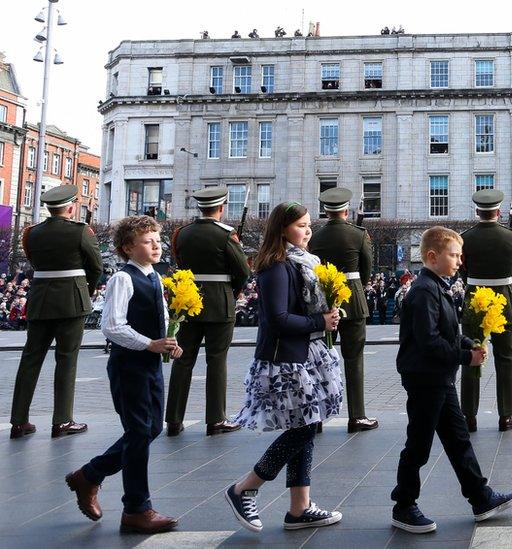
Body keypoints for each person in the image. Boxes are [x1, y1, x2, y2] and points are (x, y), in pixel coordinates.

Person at [391, 226, 512, 534]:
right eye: (454, 255)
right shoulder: (425, 290)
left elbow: (447, 333)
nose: (459, 261)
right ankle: (404, 505)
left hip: (438, 377)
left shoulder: (436, 285)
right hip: (426, 378)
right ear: (432, 256)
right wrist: (466, 357)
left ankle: (480, 496)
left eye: (460, 255)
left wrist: (467, 344)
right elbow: (429, 342)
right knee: (419, 445)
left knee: (458, 439)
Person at [225, 202, 344, 533]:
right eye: (300, 225)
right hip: (285, 359)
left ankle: (299, 508)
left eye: (309, 225)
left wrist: (327, 319)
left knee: (306, 424)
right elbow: (277, 320)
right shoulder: (277, 267)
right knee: (303, 427)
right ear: (281, 230)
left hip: (304, 353)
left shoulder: (305, 263)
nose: (307, 230)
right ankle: (245, 487)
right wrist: (318, 320)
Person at [64, 215, 180, 534]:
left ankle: (89, 475)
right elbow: (112, 326)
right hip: (129, 366)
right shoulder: (123, 279)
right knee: (140, 431)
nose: (156, 244)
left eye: (158, 238)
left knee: (150, 428)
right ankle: (136, 509)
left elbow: (159, 316)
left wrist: (169, 342)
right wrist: (150, 344)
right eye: (147, 241)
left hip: (149, 363)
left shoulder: (155, 277)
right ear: (128, 248)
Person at [10, 185, 102, 439]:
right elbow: (96, 266)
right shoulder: (80, 231)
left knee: (30, 359)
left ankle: (18, 421)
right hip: (72, 299)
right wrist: (89, 290)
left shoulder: (32, 233)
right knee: (66, 359)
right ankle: (61, 420)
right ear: (71, 207)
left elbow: (34, 262)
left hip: (40, 299)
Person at [166, 187, 251, 437]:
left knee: (183, 360)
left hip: (188, 301)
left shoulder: (181, 234)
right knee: (216, 361)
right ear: (221, 208)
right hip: (219, 303)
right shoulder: (226, 235)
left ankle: (173, 418)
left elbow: (181, 265)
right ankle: (215, 419)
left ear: (200, 208)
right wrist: (231, 292)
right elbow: (243, 273)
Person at [309, 187, 378, 432]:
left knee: (320, 359)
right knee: (354, 358)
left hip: (323, 303)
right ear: (346, 211)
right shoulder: (358, 234)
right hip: (353, 300)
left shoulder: (314, 238)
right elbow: (367, 270)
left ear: (326, 211)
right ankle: (357, 415)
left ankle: (314, 417)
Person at [458, 190, 512, 432]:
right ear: (498, 212)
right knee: (505, 359)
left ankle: (468, 416)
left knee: (471, 357)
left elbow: (462, 271)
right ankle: (506, 416)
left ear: (478, 211)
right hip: (504, 301)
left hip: (474, 300)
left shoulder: (465, 238)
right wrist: (507, 292)